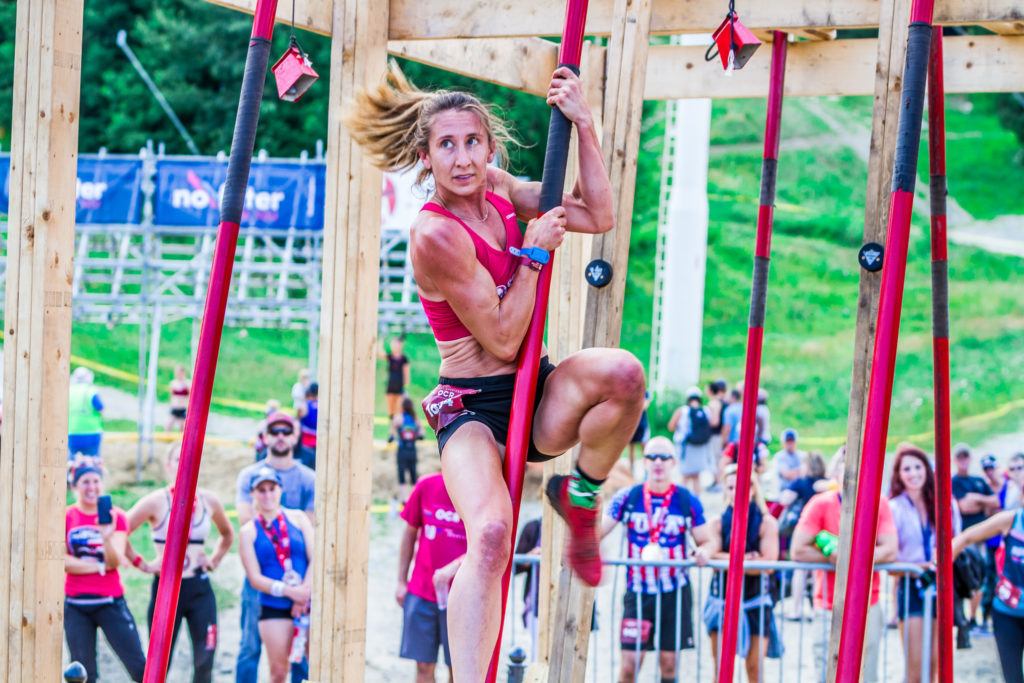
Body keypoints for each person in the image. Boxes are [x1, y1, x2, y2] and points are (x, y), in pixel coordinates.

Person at [345, 61, 645, 680]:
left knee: (624, 374)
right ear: (425, 157)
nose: (462, 159)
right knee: (489, 535)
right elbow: (505, 338)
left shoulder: (501, 190)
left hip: (533, 391)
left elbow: (598, 215)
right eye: (447, 146)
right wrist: (533, 253)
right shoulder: (435, 233)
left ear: (489, 146)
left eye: (472, 142)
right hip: (472, 405)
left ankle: (580, 491)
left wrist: (584, 123)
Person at [601, 436, 713, 683]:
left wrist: (704, 551)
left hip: (674, 593)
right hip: (638, 593)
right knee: (629, 666)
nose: (658, 462)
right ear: (644, 461)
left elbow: (706, 540)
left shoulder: (687, 500)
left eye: (664, 457)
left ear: (673, 462)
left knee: (669, 665)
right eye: (652, 457)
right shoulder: (627, 497)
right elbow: (597, 532)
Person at [125, 443, 235, 683]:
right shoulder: (155, 501)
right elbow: (120, 530)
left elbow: (228, 534)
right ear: (168, 466)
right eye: (178, 460)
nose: (184, 465)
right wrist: (141, 563)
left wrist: (214, 559)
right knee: (158, 666)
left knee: (205, 661)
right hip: (165, 588)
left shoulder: (209, 500)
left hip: (199, 589)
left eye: (190, 460)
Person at [790, 452, 898, 683]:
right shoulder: (819, 504)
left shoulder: (879, 503)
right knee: (824, 671)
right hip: (827, 604)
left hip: (869, 602)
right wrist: (834, 556)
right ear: (837, 475)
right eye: (847, 470)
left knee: (866, 671)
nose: (853, 477)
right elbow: (798, 549)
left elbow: (890, 549)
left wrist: (853, 559)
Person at [236, 411, 316, 683]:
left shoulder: (307, 478)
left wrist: (302, 593)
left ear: (295, 436)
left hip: (303, 587)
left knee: (303, 659)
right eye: (274, 432)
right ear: (265, 436)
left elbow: (312, 538)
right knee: (250, 647)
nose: (280, 437)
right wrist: (287, 589)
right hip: (266, 586)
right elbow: (248, 522)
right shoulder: (248, 475)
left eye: (285, 431)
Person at [64, 466, 146, 683]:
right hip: (75, 605)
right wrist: (100, 567)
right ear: (75, 487)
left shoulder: (116, 516)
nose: (92, 487)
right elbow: (62, 562)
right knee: (82, 675)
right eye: (85, 482)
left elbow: (115, 560)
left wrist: (106, 537)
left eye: (96, 481)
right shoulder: (66, 516)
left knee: (140, 668)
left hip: (110, 602)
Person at [888, 443, 961, 683]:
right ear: (899, 474)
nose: (913, 473)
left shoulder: (944, 501)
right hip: (911, 587)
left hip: (941, 586)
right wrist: (919, 568)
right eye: (906, 468)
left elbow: (957, 541)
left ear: (926, 469)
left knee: (937, 667)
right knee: (915, 669)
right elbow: (889, 557)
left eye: (917, 466)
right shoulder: (894, 507)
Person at [704, 465, 780, 683]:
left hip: (756, 600)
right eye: (730, 487)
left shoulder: (766, 523)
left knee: (755, 668)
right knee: (720, 670)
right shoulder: (717, 522)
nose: (736, 492)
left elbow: (769, 563)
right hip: (722, 600)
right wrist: (748, 559)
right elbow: (711, 557)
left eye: (741, 486)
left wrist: (726, 558)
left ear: (753, 489)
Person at [396, 473, 467, 683]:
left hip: (461, 597)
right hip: (421, 590)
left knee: (458, 668)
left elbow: (487, 543)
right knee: (423, 665)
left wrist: (454, 568)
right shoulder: (427, 485)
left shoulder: (479, 489)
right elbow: (409, 533)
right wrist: (401, 581)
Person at [953, 500, 1024, 683]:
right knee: (1013, 678)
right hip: (1007, 614)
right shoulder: (1012, 519)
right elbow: (966, 537)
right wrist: (939, 566)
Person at [951, 443, 1001, 636]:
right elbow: (964, 506)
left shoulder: (978, 481)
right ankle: (963, 618)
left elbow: (996, 501)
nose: (963, 460)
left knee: (980, 578)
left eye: (966, 456)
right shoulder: (954, 481)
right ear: (956, 459)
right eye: (960, 456)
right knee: (964, 577)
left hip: (982, 538)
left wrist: (976, 497)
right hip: (963, 538)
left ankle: (974, 618)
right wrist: (982, 503)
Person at [777, 451, 827, 620]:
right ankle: (815, 608)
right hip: (824, 533)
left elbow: (785, 500)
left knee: (800, 570)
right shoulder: (826, 484)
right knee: (817, 572)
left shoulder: (800, 483)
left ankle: (796, 609)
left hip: (804, 532)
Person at [669, 387, 712, 495]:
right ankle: (697, 500)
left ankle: (682, 500)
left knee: (685, 476)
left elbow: (671, 426)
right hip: (701, 446)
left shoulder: (682, 410)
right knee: (696, 476)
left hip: (686, 447)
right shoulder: (705, 410)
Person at [390, 396, 424, 505]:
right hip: (412, 450)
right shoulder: (416, 420)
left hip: (402, 450)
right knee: (413, 474)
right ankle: (415, 499)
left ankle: (404, 500)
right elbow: (421, 435)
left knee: (402, 475)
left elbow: (391, 435)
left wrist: (392, 438)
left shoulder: (398, 418)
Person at [68, 366, 104, 465]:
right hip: (91, 432)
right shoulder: (91, 391)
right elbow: (100, 408)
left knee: (72, 463)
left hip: (72, 431)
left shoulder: (69, 391)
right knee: (93, 462)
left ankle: (70, 479)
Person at [379, 336, 411, 418]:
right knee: (390, 408)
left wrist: (406, 385)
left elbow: (406, 372)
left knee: (400, 407)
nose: (394, 346)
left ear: (400, 345)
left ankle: (399, 423)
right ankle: (392, 423)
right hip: (391, 384)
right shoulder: (390, 357)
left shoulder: (404, 358)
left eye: (396, 344)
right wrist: (381, 341)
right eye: (393, 344)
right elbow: (381, 354)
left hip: (399, 384)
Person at [626, 390, 651, 472]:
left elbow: (645, 405)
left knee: (644, 448)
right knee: (631, 448)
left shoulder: (645, 392)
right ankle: (631, 470)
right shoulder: (631, 391)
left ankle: (646, 470)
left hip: (642, 425)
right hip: (632, 424)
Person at [773, 428, 805, 493]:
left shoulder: (803, 455)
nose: (790, 443)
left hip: (801, 491)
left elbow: (807, 474)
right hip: (785, 491)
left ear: (796, 441)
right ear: (783, 442)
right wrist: (800, 471)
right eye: (787, 441)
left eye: (792, 441)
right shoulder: (779, 456)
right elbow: (787, 474)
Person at [296, 382, 318, 464]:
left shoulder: (304, 405)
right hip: (318, 442)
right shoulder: (323, 406)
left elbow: (297, 420)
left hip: (306, 443)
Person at [167, 364, 191, 431]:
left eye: (180, 372)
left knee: (182, 426)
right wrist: (170, 405)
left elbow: (189, 395)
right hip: (174, 408)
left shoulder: (187, 383)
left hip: (183, 408)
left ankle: (181, 440)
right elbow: (171, 395)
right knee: (169, 425)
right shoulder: (173, 383)